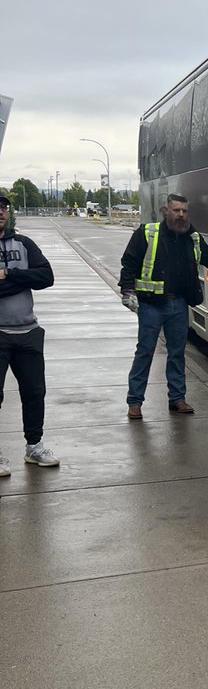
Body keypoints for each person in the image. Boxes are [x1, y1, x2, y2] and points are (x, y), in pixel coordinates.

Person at [119, 193, 208, 420]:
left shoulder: (192, 237)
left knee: (177, 354)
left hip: (178, 304)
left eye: (184, 211)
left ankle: (177, 399)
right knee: (145, 353)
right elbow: (129, 263)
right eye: (176, 210)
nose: (181, 215)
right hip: (151, 305)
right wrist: (128, 291)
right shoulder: (147, 234)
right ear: (165, 211)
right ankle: (135, 402)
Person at [0, 192, 59, 476]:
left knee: (35, 392)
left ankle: (34, 446)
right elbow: (33, 278)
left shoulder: (24, 243)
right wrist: (24, 278)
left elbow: (46, 277)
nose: (0, 212)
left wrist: (9, 275)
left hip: (28, 332)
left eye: (3, 207)